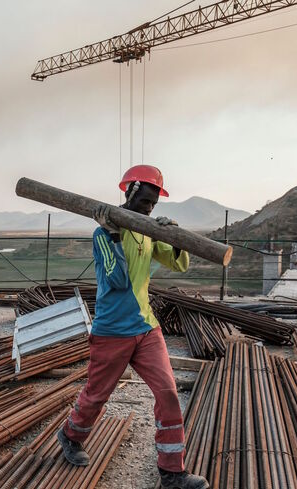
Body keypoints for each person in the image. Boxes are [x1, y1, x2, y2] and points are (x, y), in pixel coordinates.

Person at [56, 165, 209, 489]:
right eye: (146, 201)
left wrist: (173, 235)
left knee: (167, 393)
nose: (150, 207)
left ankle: (172, 473)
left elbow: (177, 262)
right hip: (112, 330)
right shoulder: (102, 235)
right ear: (131, 191)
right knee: (97, 396)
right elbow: (118, 280)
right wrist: (112, 235)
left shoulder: (148, 228)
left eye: (155, 203)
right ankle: (70, 436)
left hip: (146, 327)